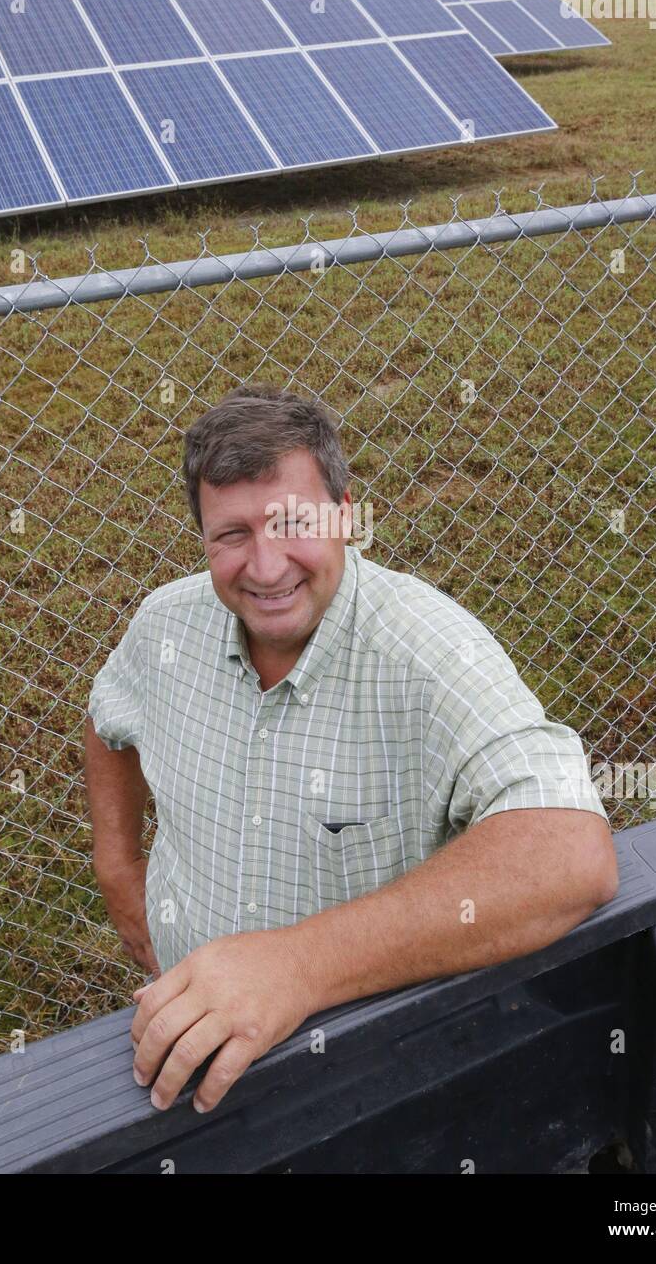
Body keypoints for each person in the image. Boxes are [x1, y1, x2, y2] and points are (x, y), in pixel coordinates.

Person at [85, 383, 618, 1116]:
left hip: (363, 1085)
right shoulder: (166, 626)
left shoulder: (430, 653)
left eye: (293, 522)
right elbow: (108, 715)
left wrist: (298, 967)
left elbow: (568, 854)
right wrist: (118, 866)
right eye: (232, 535)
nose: (266, 568)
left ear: (345, 513)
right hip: (190, 1062)